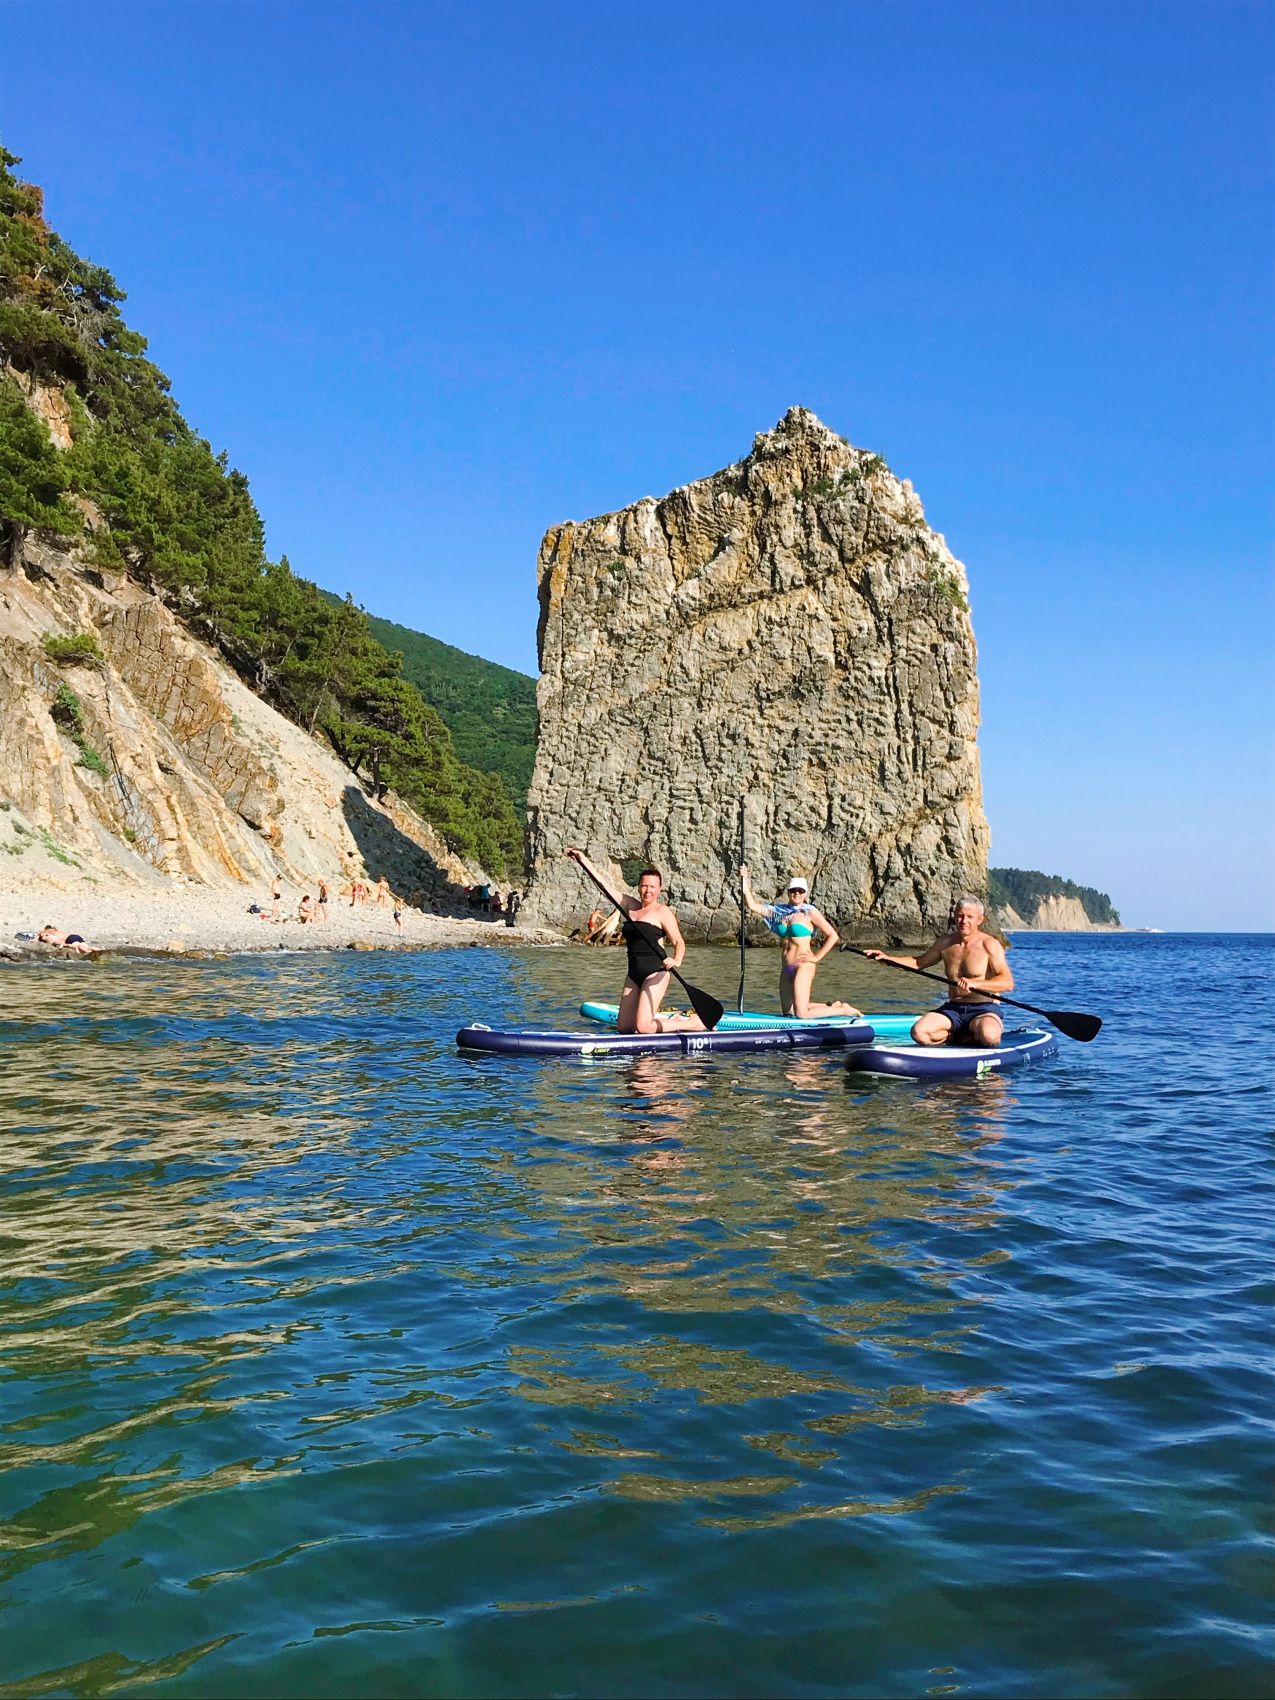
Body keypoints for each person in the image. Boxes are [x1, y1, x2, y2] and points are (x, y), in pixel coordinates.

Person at [566, 848, 703, 1033]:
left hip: (656, 973)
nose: (648, 890)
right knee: (624, 1027)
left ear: (659, 889)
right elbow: (604, 887)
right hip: (633, 974)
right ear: (639, 886)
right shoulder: (630, 905)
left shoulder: (662, 912)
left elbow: (679, 942)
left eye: (652, 887)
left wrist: (676, 960)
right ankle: (658, 1020)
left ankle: (692, 1024)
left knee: (643, 1027)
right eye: (644, 885)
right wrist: (583, 860)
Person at [864, 894, 1012, 1047]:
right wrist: (887, 958)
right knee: (919, 1033)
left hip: (983, 1009)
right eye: (960, 916)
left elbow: (1007, 983)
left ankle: (973, 1033)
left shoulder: (990, 945)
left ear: (979, 919)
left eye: (970, 917)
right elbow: (918, 962)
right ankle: (957, 1035)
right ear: (955, 917)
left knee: (990, 1036)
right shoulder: (945, 943)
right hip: (954, 1009)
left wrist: (976, 983)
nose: (964, 921)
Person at [740, 867, 861, 1019]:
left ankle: (844, 1011)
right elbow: (752, 905)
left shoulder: (809, 912)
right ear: (788, 892)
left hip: (803, 964)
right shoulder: (778, 912)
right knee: (789, 1012)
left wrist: (816, 958)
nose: (797, 893)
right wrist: (744, 880)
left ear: (805, 893)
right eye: (793, 890)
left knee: (801, 1014)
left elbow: (833, 936)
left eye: (801, 891)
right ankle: (835, 1006)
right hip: (786, 967)